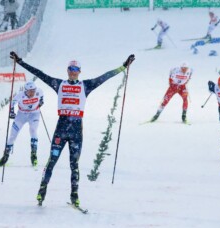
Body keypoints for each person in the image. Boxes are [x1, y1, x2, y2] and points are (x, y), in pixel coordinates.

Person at [9, 51, 135, 207]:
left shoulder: (85, 86)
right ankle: (42, 192)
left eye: (76, 70)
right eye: (70, 69)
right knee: (51, 161)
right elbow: (40, 74)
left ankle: (74, 195)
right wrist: (20, 62)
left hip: (76, 131)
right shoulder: (59, 84)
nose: (73, 72)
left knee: (74, 164)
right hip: (61, 129)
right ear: (67, 70)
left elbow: (105, 77)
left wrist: (123, 67)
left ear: (79, 72)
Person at [0, 81, 44, 167]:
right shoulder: (20, 95)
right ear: (25, 91)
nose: (32, 92)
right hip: (21, 115)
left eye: (33, 90)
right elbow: (12, 103)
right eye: (30, 91)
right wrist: (11, 112)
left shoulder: (39, 91)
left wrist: (41, 102)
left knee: (33, 130)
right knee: (12, 135)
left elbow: (42, 97)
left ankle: (34, 154)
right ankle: (5, 156)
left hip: (34, 114)